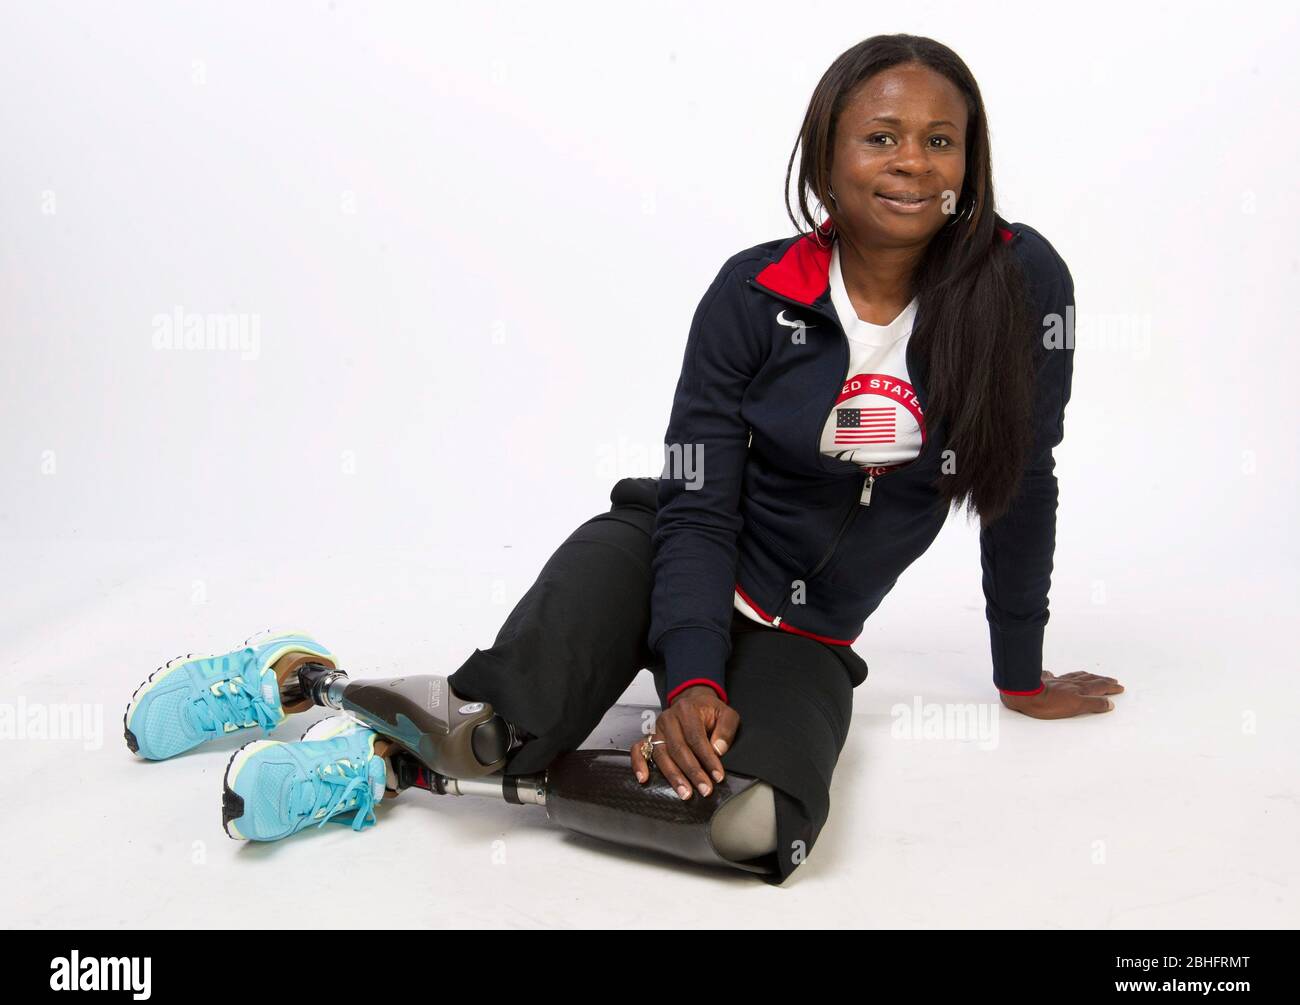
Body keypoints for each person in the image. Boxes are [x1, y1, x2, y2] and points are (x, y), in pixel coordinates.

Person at [122, 33, 1123, 885]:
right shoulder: (750, 294)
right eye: (882, 137)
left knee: (755, 826)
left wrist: (1019, 670)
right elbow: (696, 498)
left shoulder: (1020, 282)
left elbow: (1024, 476)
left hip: (806, 635)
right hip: (664, 554)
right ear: (827, 160)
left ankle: (408, 768)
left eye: (939, 140)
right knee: (498, 729)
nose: (913, 163)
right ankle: (316, 690)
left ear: (970, 161)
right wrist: (690, 677)